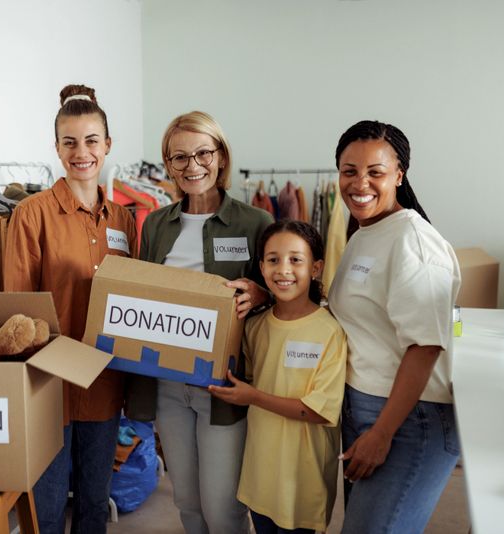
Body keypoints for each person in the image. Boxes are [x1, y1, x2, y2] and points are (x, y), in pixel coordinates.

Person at [126, 111, 274, 534]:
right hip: (169, 387)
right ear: (168, 165)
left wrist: (260, 293)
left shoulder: (255, 223)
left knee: (222, 508)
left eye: (203, 153)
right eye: (179, 158)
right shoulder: (155, 223)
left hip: (224, 386)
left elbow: (288, 291)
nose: (193, 166)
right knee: (187, 503)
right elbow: (142, 296)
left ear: (221, 156)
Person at [4, 84, 137, 534]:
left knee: (95, 507)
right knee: (45, 509)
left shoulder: (123, 220)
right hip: (49, 387)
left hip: (104, 381)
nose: (82, 152)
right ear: (57, 148)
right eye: (70, 142)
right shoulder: (31, 214)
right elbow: (17, 314)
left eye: (91, 140)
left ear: (108, 145)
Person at [327, 120, 462, 534]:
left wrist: (382, 432)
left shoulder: (414, 241)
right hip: (364, 406)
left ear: (399, 175)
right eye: (349, 171)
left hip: (406, 419)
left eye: (375, 172)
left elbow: (425, 347)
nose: (359, 183)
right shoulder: (364, 232)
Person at [209, 220, 347, 534]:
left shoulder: (330, 332)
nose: (283, 269)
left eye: (296, 259)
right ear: (261, 266)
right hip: (260, 476)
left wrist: (252, 397)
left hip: (302, 483)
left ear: (316, 267)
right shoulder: (255, 327)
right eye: (273, 260)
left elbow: (317, 409)